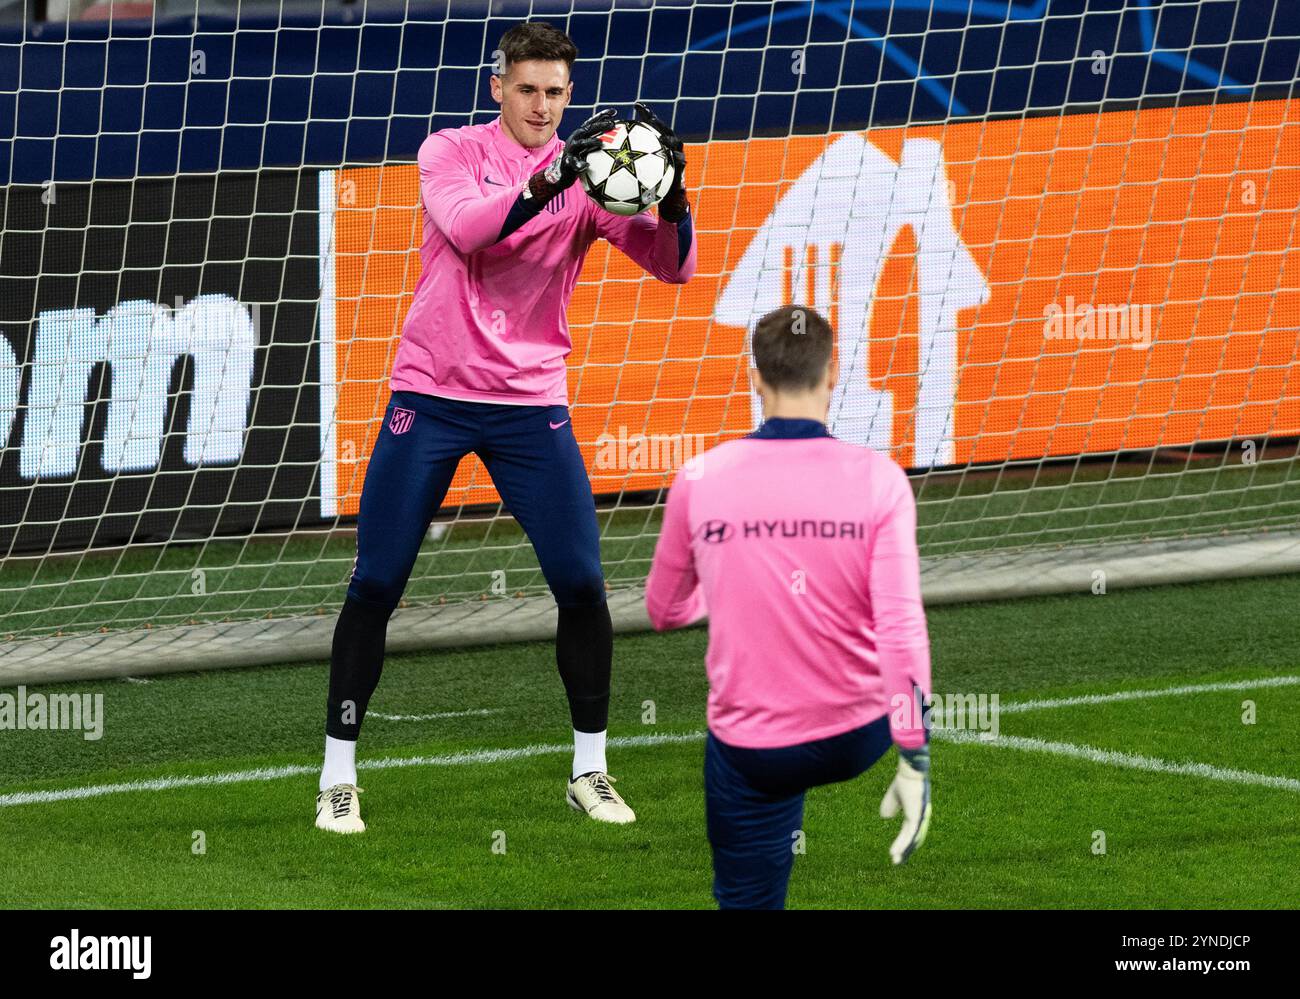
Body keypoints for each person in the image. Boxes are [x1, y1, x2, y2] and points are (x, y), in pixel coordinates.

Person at [316, 19, 696, 833]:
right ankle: (337, 775)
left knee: (583, 584)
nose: (542, 105)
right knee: (377, 582)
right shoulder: (448, 151)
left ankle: (589, 769)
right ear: (499, 87)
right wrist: (555, 175)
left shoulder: (593, 176)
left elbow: (674, 267)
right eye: (527, 89)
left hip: (531, 405)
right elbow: (472, 229)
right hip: (434, 393)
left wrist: (675, 199)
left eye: (556, 92)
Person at [645, 304, 932, 908]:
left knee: (746, 897)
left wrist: (731, 585)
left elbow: (664, 611)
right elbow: (900, 625)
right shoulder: (881, 479)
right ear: (832, 375)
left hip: (756, 748)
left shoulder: (700, 476)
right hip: (859, 735)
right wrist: (913, 754)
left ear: (755, 378)